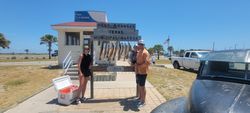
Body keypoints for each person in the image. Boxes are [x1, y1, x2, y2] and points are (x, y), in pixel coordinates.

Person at [135, 40, 150, 108]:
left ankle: (143, 101)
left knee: (142, 86)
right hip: (138, 71)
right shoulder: (139, 51)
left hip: (143, 72)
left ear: (143, 45)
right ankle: (140, 98)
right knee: (139, 85)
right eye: (138, 44)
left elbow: (147, 63)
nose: (138, 45)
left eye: (140, 44)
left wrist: (139, 66)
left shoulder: (145, 52)